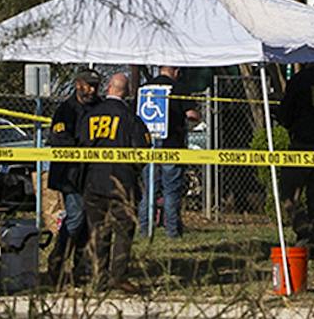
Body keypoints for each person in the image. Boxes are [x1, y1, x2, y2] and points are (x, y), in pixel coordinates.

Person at [80, 71, 151, 289]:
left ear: (108, 88)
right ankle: (118, 276)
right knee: (123, 230)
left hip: (94, 181)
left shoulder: (90, 115)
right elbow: (144, 150)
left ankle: (97, 277)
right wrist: (134, 171)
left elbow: (80, 146)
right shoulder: (131, 117)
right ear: (127, 92)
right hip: (123, 182)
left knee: (97, 230)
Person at [275, 61, 314, 252]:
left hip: (302, 144)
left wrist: (282, 116)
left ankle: (304, 231)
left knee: (288, 193)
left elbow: (286, 113)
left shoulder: (300, 80)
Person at [45, 67, 100, 287]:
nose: (93, 90)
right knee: (76, 217)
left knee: (88, 222)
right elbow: (60, 138)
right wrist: (84, 147)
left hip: (93, 174)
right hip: (70, 174)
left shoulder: (101, 107)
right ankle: (57, 262)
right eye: (89, 85)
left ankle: (81, 268)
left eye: (96, 85)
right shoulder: (66, 110)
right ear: (78, 84)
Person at [140, 64, 199, 238]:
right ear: (176, 71)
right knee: (171, 191)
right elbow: (191, 115)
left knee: (149, 190)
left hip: (148, 147)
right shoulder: (179, 88)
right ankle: (172, 231)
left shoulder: (145, 88)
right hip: (172, 146)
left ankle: (144, 229)